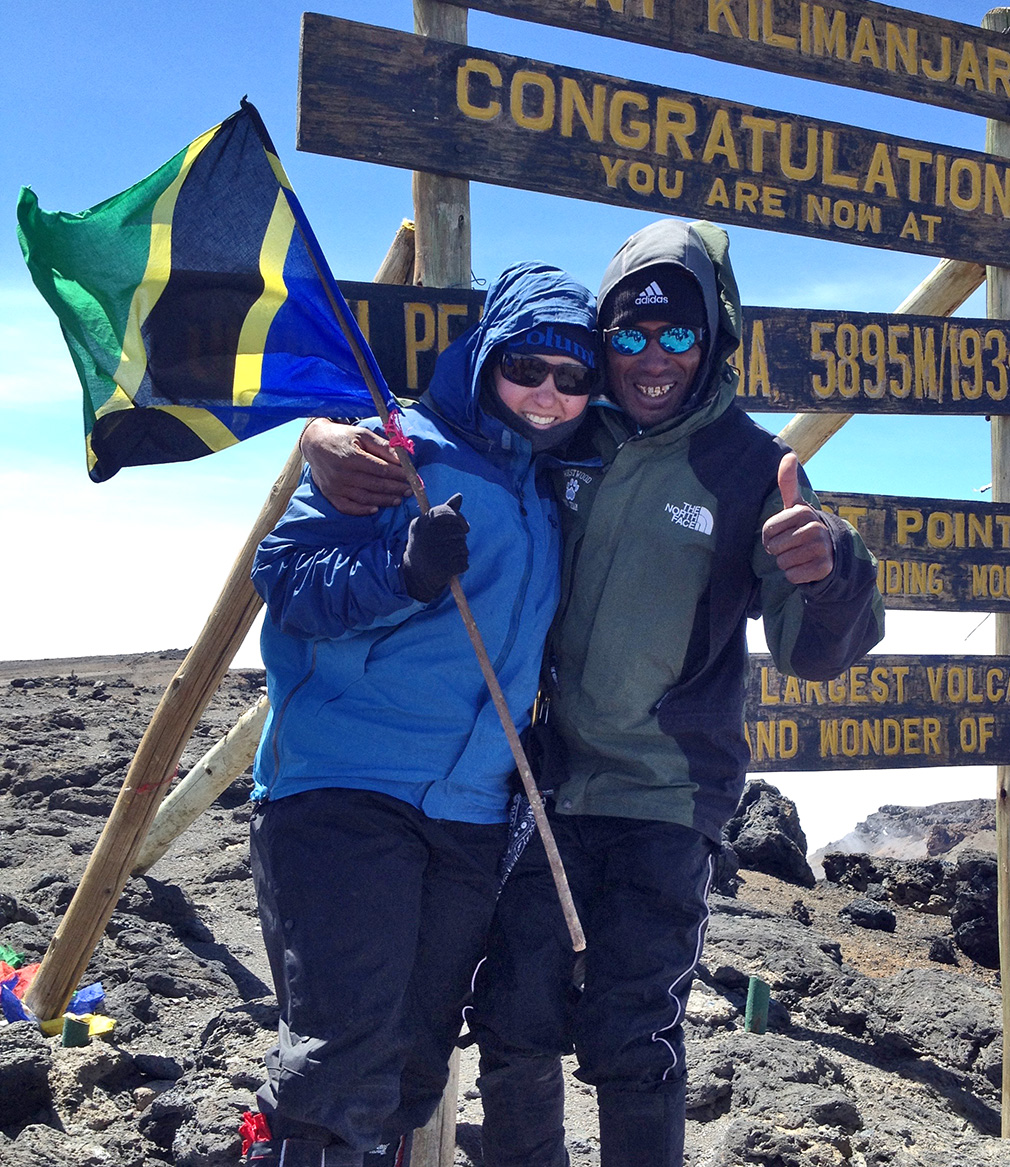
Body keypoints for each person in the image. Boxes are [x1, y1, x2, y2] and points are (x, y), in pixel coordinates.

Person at [302, 220, 885, 1167]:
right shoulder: (571, 428)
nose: (650, 359)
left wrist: (832, 573)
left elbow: (818, 650)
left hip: (664, 794)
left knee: (631, 1038)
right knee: (514, 1022)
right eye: (627, 336)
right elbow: (455, 424)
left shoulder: (750, 466)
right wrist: (321, 436)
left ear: (716, 340)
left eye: (677, 336)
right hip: (545, 785)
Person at [241, 262, 599, 1167]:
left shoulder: (556, 481)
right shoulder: (401, 449)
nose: (550, 395)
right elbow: (283, 579)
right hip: (347, 787)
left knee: (411, 1064)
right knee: (340, 1058)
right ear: (486, 359)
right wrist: (399, 573)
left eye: (573, 377)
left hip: (470, 813)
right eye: (528, 367)